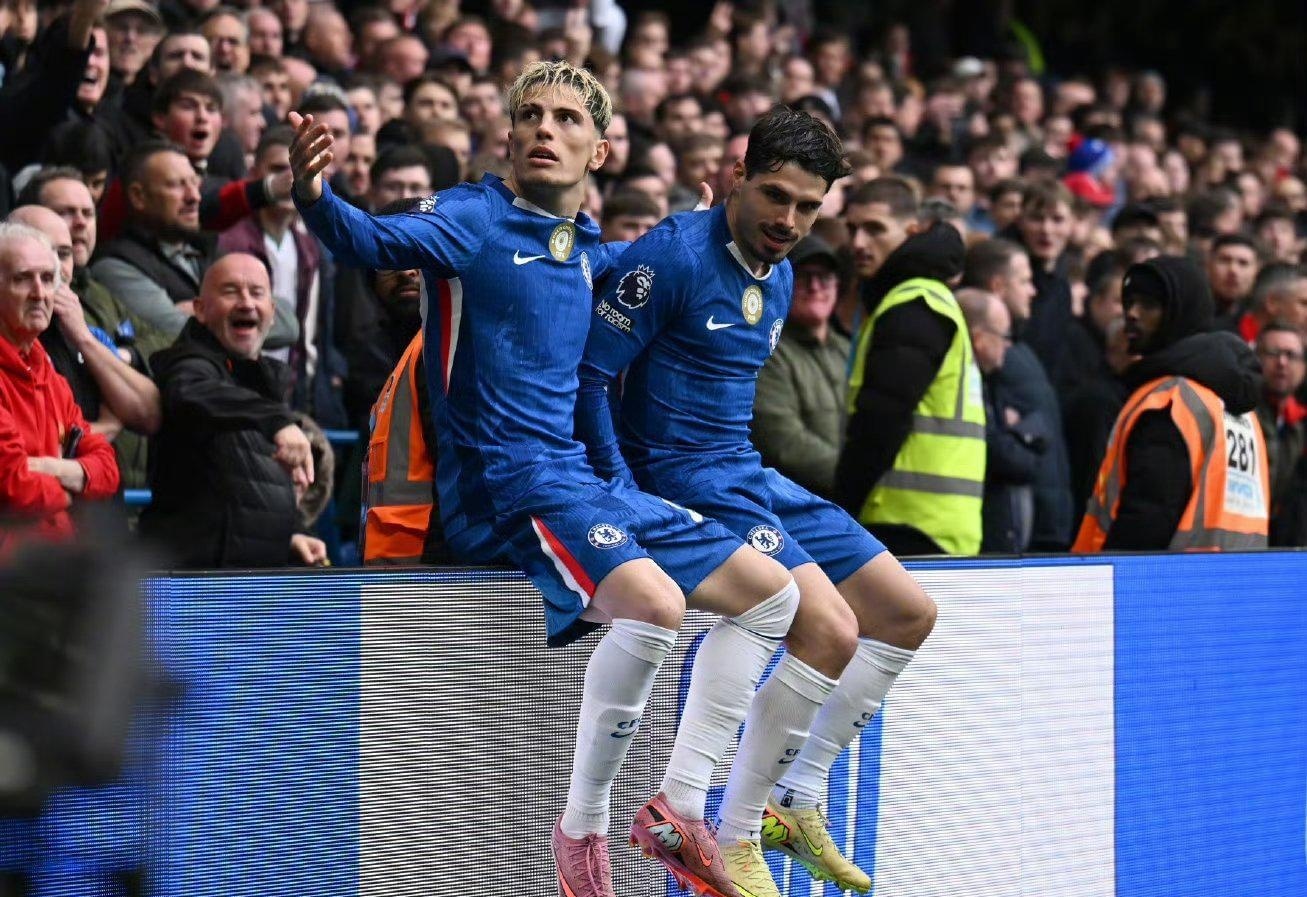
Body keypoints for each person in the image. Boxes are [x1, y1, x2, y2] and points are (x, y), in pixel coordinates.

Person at [290, 60, 805, 897]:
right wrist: (314, 193)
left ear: (599, 148)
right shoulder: (470, 217)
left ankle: (679, 805)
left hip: (579, 482)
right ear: (506, 135)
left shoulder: (583, 245)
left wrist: (726, 217)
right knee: (659, 607)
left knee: (772, 597)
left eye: (567, 118)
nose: (544, 128)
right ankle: (583, 834)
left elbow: (644, 280)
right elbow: (369, 240)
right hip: (507, 485)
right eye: (530, 113)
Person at [578, 106, 935, 897]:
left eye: (807, 206)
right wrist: (615, 487)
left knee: (906, 611)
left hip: (746, 471)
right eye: (774, 195)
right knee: (827, 625)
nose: (788, 220)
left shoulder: (774, 278)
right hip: (682, 478)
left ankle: (794, 796)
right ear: (736, 175)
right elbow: (592, 376)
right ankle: (726, 829)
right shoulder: (672, 255)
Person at [141, 252, 327, 568]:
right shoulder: (189, 364)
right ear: (200, 309)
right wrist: (277, 422)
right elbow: (190, 392)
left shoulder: (260, 382)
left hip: (248, 590)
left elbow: (247, 489)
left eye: (257, 293)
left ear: (272, 311)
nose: (246, 303)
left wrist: (291, 535)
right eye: (230, 291)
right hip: (196, 594)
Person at [1073, 256, 1269, 551]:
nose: (1132, 314)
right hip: (1235, 584)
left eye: (1148, 305)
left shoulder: (1170, 401)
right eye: (1130, 302)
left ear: (1180, 313)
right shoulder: (1239, 408)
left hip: (1165, 587)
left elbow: (1149, 515)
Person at [836, 221, 986, 557]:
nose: (858, 242)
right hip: (934, 522)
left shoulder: (915, 303)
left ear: (912, 231)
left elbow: (883, 417)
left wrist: (841, 508)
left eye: (875, 229)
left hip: (902, 520)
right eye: (853, 230)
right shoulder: (924, 299)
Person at [0, 222, 119, 551]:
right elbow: (16, 489)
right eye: (22, 278)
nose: (39, 293)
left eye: (48, 279)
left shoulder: (50, 377)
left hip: (54, 570)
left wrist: (49, 468)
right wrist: (73, 489)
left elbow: (108, 468)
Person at [750, 233, 849, 499]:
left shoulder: (848, 349)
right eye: (804, 277)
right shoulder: (768, 351)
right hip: (797, 503)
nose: (816, 287)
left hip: (850, 502)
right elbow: (784, 442)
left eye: (824, 277)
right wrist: (859, 477)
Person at [957, 288, 1044, 553]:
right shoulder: (965, 384)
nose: (1009, 344)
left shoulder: (989, 381)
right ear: (979, 339)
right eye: (1004, 335)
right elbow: (999, 451)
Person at [1253, 323, 1307, 545]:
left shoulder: (1299, 425)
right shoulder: (1241, 412)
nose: (1282, 363)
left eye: (1291, 355)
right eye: (1273, 353)